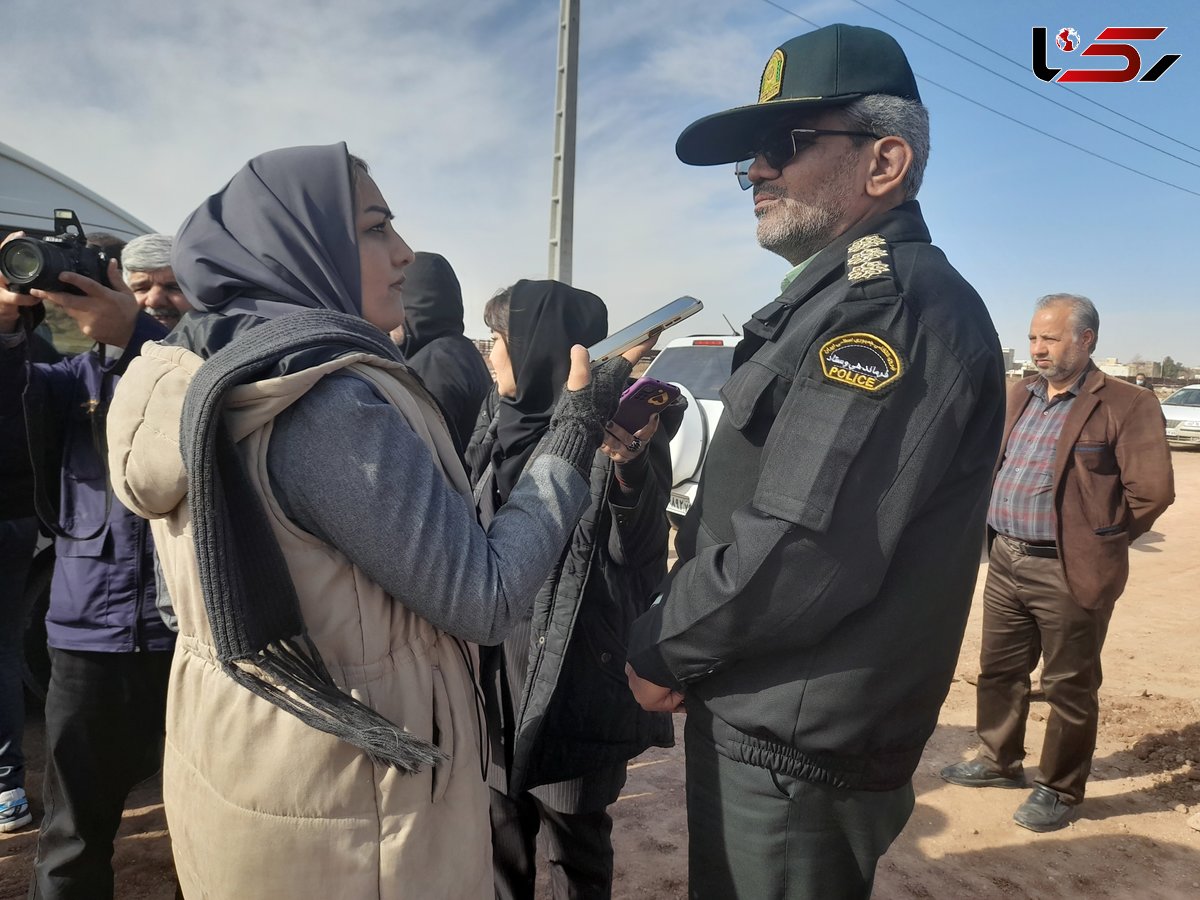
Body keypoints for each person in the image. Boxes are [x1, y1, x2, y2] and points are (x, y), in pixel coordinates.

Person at [104, 143, 651, 899]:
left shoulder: (201, 377)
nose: (403, 253)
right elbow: (485, 599)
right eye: (375, 228)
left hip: (258, 750)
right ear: (296, 242)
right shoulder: (322, 401)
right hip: (358, 799)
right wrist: (573, 429)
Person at [622, 23, 1005, 898]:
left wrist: (661, 645)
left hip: (798, 743)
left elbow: (804, 546)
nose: (755, 171)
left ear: (885, 163)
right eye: (752, 153)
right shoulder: (829, 302)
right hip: (771, 714)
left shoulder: (889, 310)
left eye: (783, 145)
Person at [468, 281, 674, 900]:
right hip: (496, 685)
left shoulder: (614, 433)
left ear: (533, 347)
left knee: (575, 856)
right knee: (501, 846)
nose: (488, 354)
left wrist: (630, 466)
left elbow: (639, 556)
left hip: (574, 686)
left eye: (497, 340)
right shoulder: (496, 424)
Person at [941, 293, 1174, 832]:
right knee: (999, 670)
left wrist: (1100, 539)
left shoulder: (1125, 403)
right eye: (1033, 338)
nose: (1038, 349)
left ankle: (1060, 788)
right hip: (1005, 558)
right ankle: (998, 761)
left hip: (1068, 569)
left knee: (1070, 684)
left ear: (1085, 340)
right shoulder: (1019, 393)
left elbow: (1152, 492)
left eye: (1050, 338)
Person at [0, 232, 186, 898]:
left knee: (201, 830)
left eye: (169, 285)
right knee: (71, 832)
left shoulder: (206, 364)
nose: (155, 298)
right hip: (85, 636)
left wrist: (138, 332)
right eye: (138, 287)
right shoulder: (68, 379)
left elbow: (204, 402)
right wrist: (9, 331)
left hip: (187, 640)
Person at [390, 251, 492, 456]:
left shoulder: (436, 363)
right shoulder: (456, 350)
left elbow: (416, 453)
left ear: (411, 305)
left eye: (395, 298)